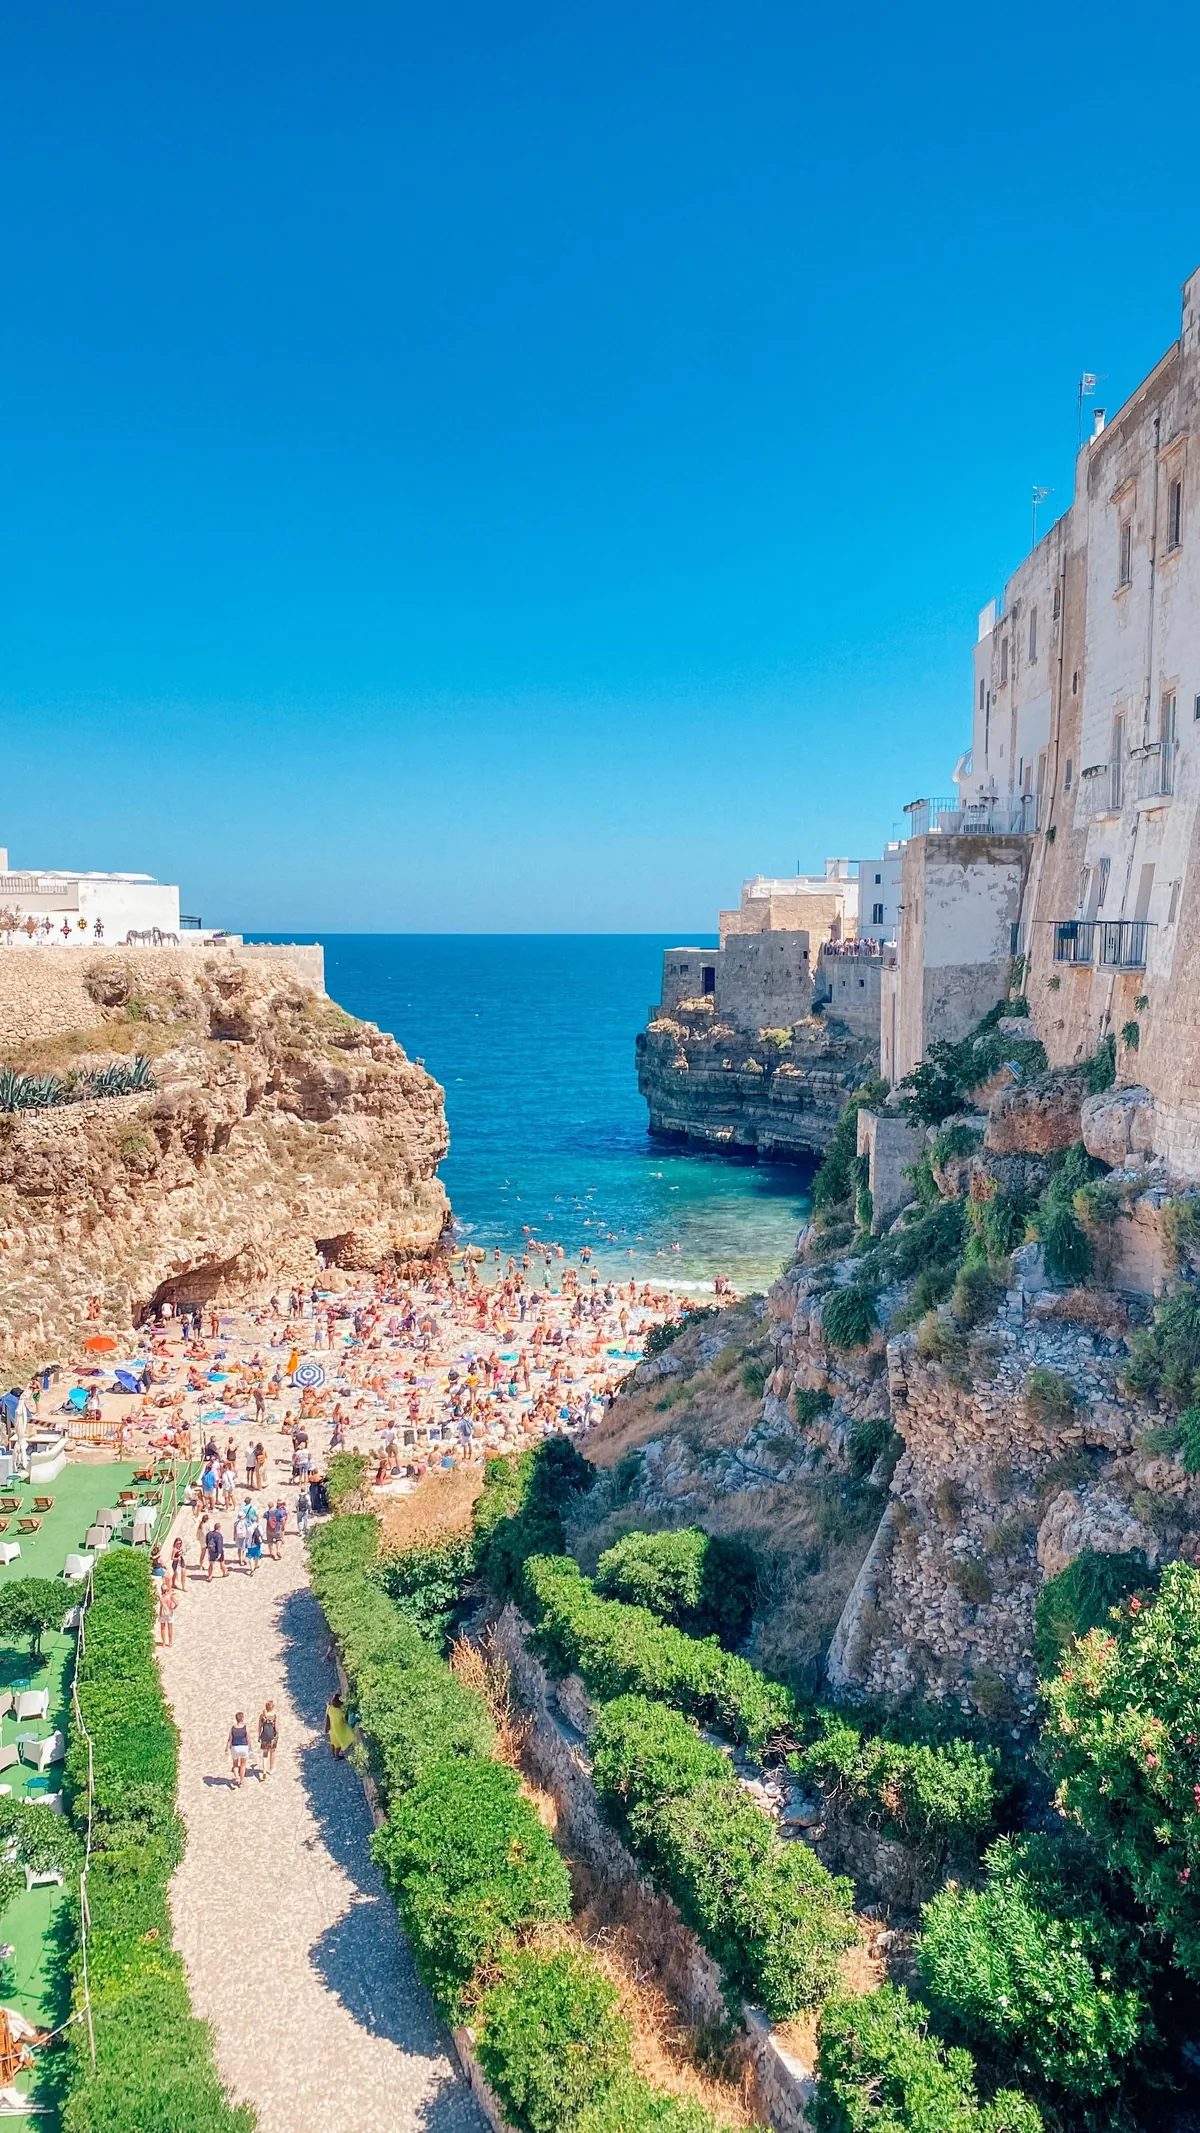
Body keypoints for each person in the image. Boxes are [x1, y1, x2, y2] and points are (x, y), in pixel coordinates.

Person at [324, 1693, 355, 1759]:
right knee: (338, 1743)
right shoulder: (340, 1711)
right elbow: (345, 1721)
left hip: (332, 1729)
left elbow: (327, 1717)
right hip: (339, 1729)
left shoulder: (329, 1708)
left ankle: (333, 1754)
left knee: (333, 1742)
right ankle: (337, 1756)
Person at [227, 1711, 250, 1788]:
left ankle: (236, 1777)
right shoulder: (245, 1727)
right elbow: (248, 1738)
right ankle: (241, 1781)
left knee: (235, 1764)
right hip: (244, 1747)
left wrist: (226, 1748)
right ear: (242, 1718)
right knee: (243, 1765)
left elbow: (230, 1739)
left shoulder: (232, 1728)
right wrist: (250, 1747)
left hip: (235, 1747)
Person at [257, 1700, 279, 1777]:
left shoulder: (262, 1716)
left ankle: (264, 1770)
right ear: (272, 1708)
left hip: (264, 1736)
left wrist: (259, 1736)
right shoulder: (274, 1716)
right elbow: (276, 1728)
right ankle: (271, 1768)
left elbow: (259, 1727)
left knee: (265, 1754)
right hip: (272, 1736)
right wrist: (277, 1735)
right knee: (272, 1752)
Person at [157, 1580, 177, 1647]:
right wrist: (173, 1608)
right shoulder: (170, 1595)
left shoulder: (161, 1596)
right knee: (170, 1628)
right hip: (169, 1612)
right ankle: (170, 1642)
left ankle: (164, 1643)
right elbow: (176, 1603)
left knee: (163, 1628)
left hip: (162, 1613)